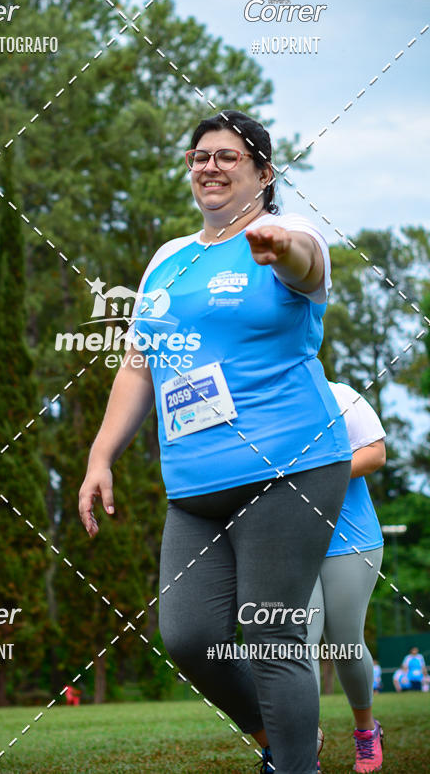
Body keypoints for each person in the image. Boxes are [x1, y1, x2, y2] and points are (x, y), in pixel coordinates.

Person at [79, 110, 352, 774]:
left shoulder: (290, 236)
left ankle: (294, 766)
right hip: (194, 486)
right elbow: (139, 365)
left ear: (263, 172)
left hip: (289, 466)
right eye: (201, 155)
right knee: (189, 637)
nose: (210, 166)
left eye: (229, 156)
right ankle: (280, 738)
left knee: (270, 633)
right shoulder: (168, 259)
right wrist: (99, 456)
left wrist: (279, 249)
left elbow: (308, 263)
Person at [306, 382, 385, 773]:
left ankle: (366, 731)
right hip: (288, 541)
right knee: (296, 643)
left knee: (344, 645)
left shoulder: (337, 395)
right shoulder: (254, 395)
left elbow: (375, 453)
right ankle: (301, 745)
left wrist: (314, 473)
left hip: (350, 540)